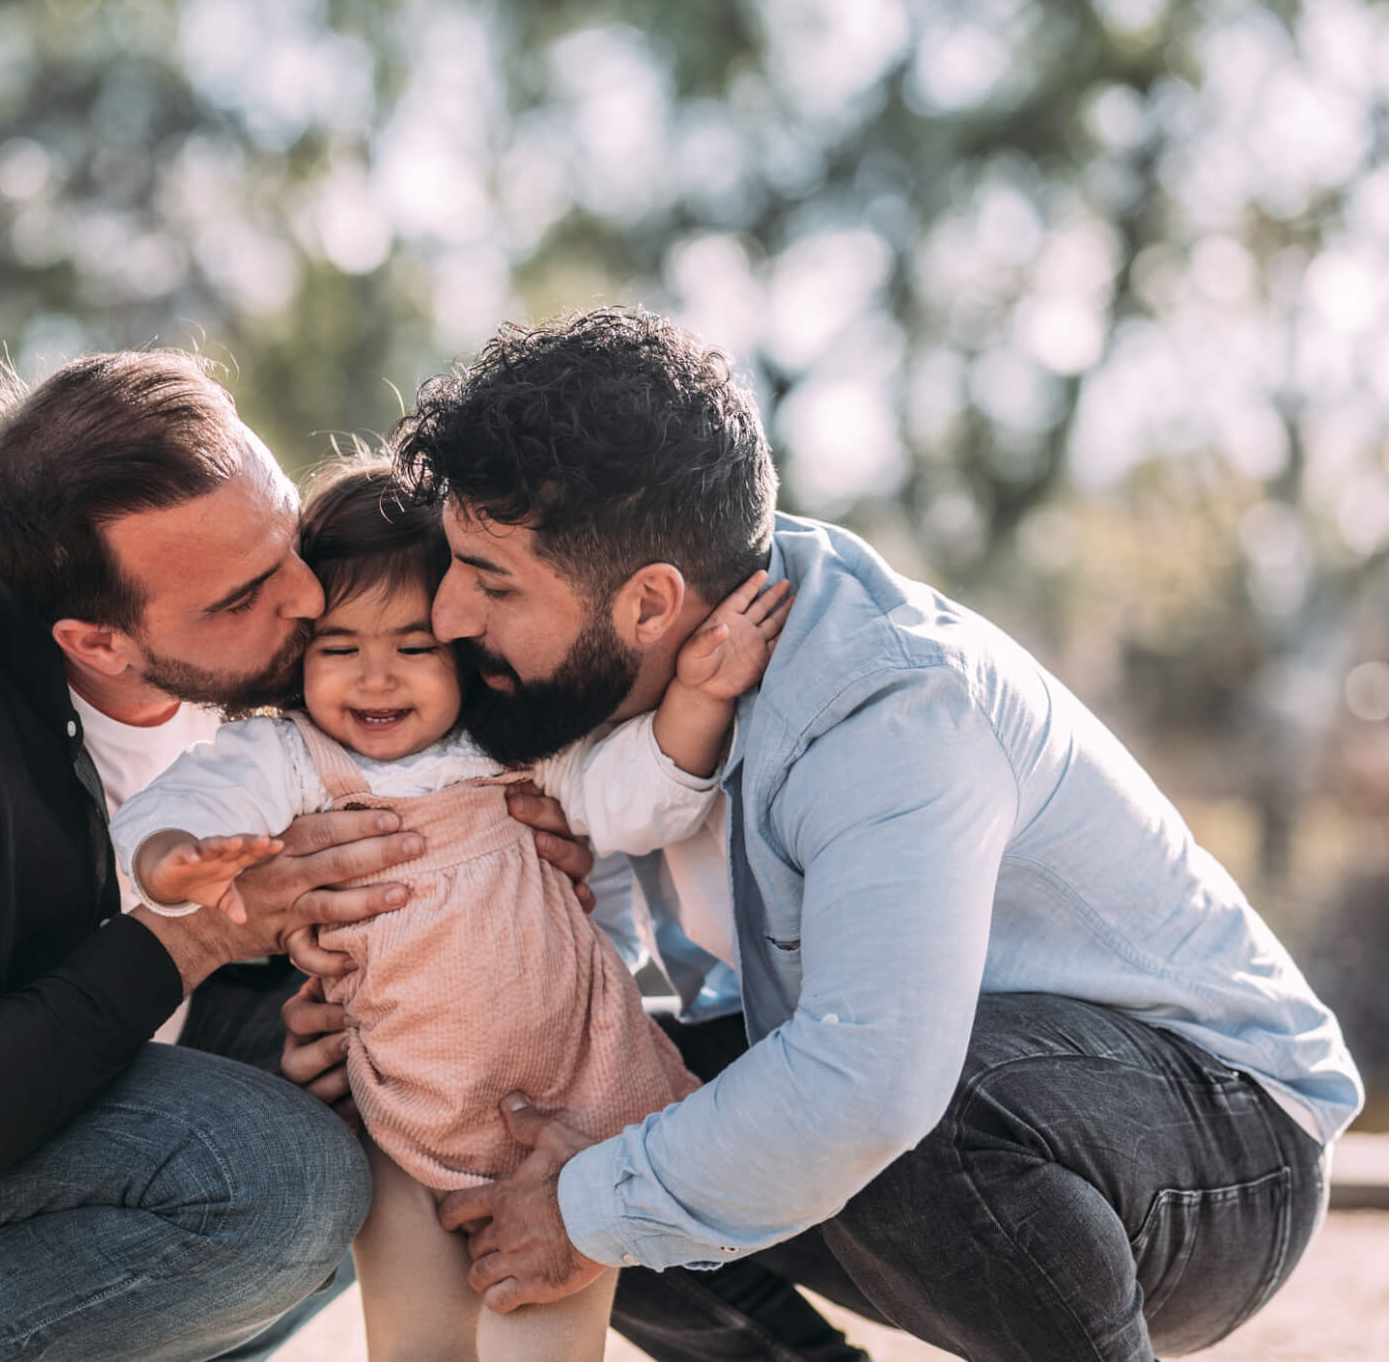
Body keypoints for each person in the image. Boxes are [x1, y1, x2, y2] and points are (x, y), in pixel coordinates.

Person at [284, 307, 1363, 1362]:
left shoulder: (891, 704)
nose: (450, 617)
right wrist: (412, 1009)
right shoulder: (566, 673)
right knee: (571, 1117)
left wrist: (585, 1206)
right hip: (928, 1088)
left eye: (490, 581)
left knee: (734, 1149)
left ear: (650, 604)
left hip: (1223, 1146)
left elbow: (873, 1080)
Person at [0, 349, 598, 1362]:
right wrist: (203, 932)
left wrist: (494, 881)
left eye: (287, 544)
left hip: (58, 1124)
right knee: (282, 1172)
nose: (309, 600)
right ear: (96, 644)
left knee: (391, 1102)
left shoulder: (283, 676)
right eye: (243, 595)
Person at [112, 460, 790, 1359]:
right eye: (339, 648)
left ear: (463, 647)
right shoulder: (294, 758)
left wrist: (699, 698)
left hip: (571, 1111)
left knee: (543, 1345)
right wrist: (175, 861)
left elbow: (639, 797)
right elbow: (180, 805)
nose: (376, 678)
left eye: (413, 647)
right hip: (402, 1115)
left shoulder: (511, 748)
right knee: (415, 1346)